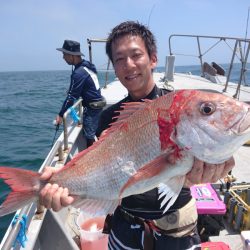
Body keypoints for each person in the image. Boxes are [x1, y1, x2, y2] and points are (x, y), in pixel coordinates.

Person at [39, 22, 235, 249]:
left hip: (177, 225)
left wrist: (221, 164)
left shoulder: (179, 107)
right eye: (120, 59)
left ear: (153, 58)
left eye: (136, 55)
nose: (129, 65)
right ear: (114, 66)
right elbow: (98, 168)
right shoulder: (108, 118)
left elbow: (214, 156)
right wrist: (62, 177)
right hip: (125, 226)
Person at [56, 39, 106, 147]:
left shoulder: (78, 73)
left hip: (92, 109)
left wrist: (60, 115)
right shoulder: (87, 66)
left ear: (72, 55)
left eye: (65, 54)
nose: (63, 57)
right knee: (92, 133)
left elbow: (71, 97)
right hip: (98, 105)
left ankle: (92, 160)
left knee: (89, 136)